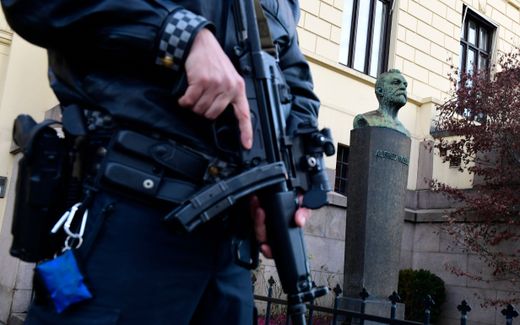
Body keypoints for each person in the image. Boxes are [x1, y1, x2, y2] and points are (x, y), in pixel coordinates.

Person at [1, 0, 320, 324]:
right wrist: (178, 33)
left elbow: (298, 90)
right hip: (124, 216)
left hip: (228, 250)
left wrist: (287, 186)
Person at [353, 69, 410, 136]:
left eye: (405, 85)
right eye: (396, 83)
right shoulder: (364, 120)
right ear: (380, 91)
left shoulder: (405, 132)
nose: (403, 87)